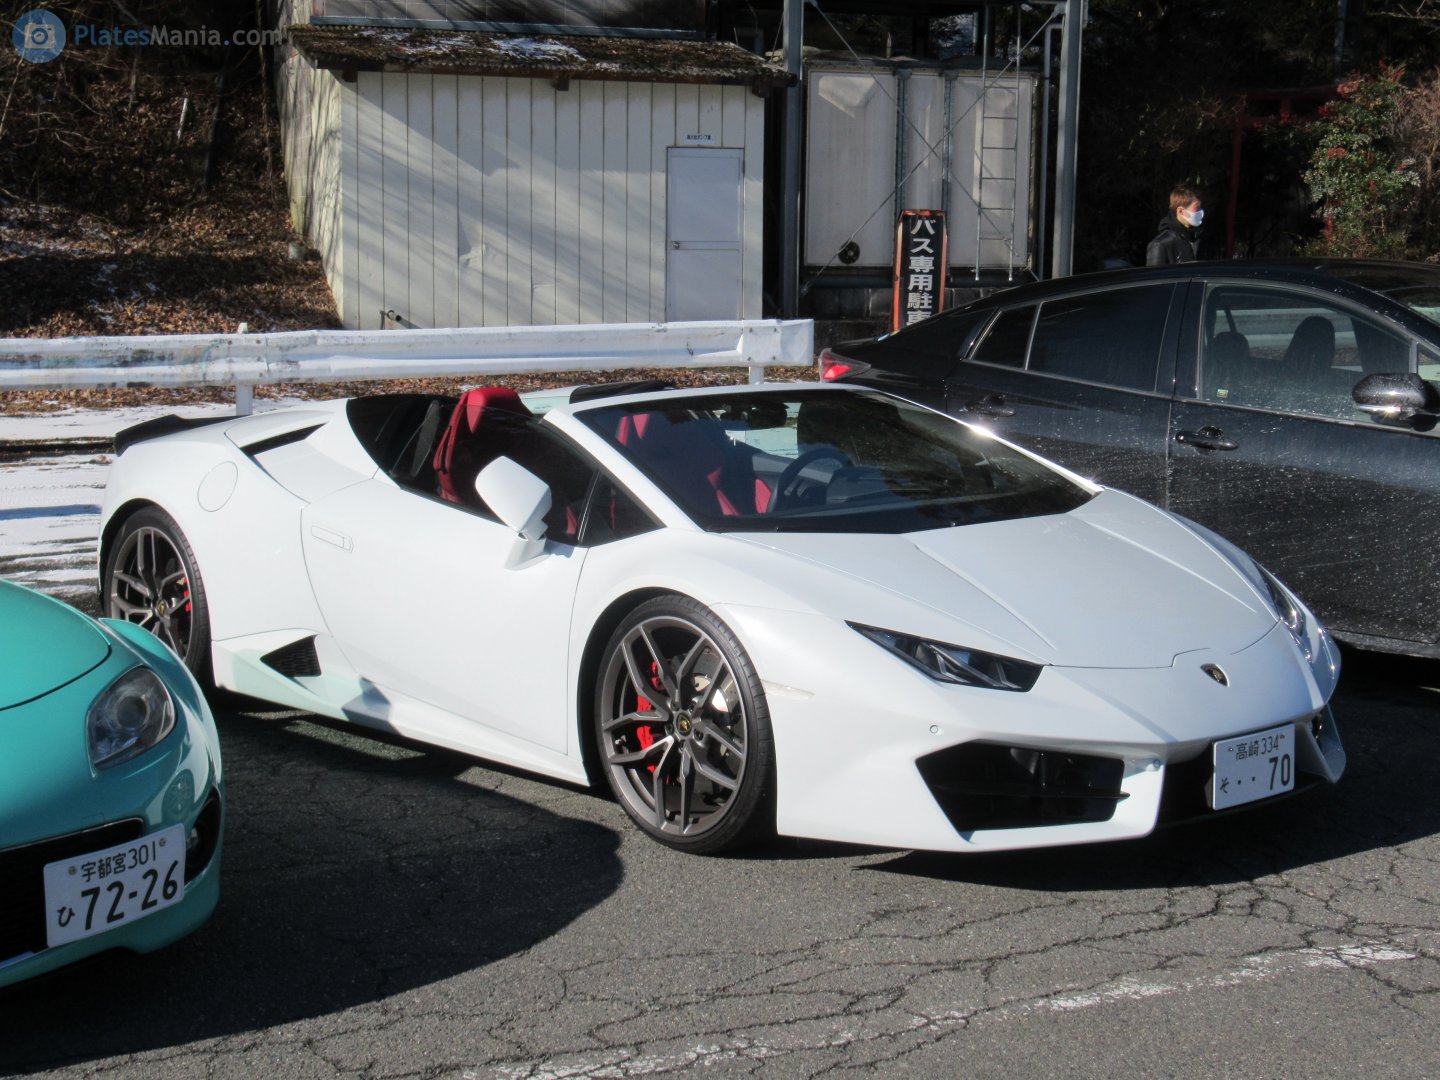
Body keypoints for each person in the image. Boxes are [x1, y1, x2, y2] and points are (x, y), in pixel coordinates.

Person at [1146, 185, 1203, 266]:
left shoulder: (1196, 238)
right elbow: (1154, 277)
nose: (1200, 212)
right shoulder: (1161, 244)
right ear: (1180, 211)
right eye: (1196, 208)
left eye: (1200, 207)